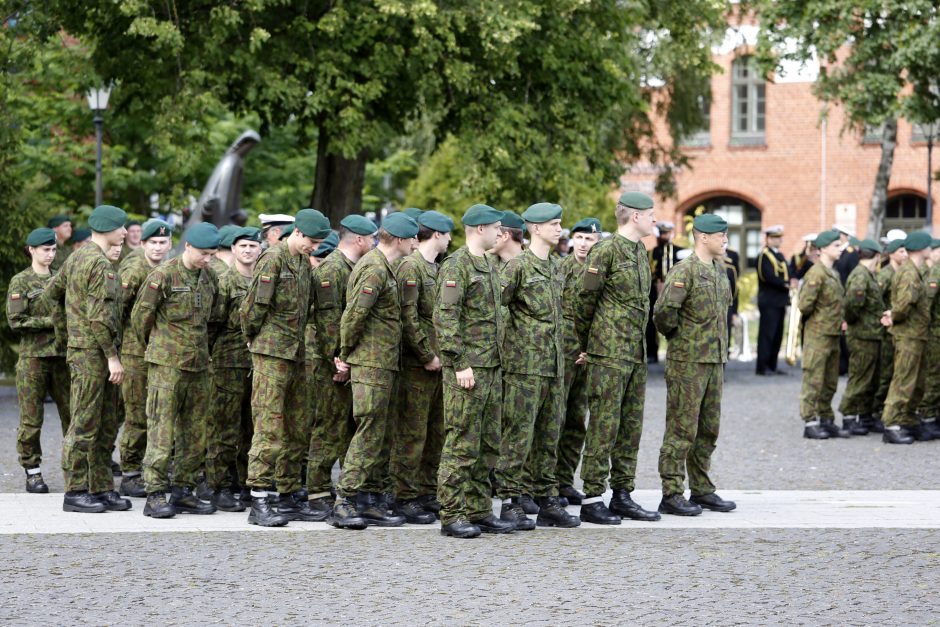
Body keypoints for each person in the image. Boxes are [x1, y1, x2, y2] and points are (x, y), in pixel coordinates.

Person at [573, 191, 660, 525]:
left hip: (634, 352)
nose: (655, 219)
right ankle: (593, 497)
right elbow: (584, 301)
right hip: (607, 352)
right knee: (604, 424)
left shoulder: (639, 250)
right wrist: (589, 343)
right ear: (635, 216)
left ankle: (622, 492)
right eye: (651, 214)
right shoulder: (605, 250)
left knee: (630, 425)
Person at [240, 208, 330, 526]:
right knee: (269, 427)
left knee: (296, 426)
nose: (315, 248)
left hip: (296, 354)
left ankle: (287, 493)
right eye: (313, 242)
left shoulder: (303, 264)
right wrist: (253, 339)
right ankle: (260, 499)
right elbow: (253, 307)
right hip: (271, 354)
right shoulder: (272, 259)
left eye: (320, 244)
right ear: (297, 233)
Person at [495, 203, 580, 530]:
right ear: (534, 229)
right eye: (553, 224)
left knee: (549, 434)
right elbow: (498, 310)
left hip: (555, 364)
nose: (559, 229)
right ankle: (509, 499)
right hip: (525, 366)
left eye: (560, 223)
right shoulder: (518, 267)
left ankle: (547, 498)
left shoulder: (558, 267)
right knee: (518, 433)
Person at [330, 213, 418, 529]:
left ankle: (368, 499)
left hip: (382, 362)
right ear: (402, 240)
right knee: (368, 433)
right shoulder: (374, 268)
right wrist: (344, 353)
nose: (415, 243)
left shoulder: (383, 267)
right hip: (371, 363)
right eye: (413, 238)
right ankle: (345, 501)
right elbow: (354, 316)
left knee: (378, 434)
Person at [131, 222, 221, 518]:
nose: (208, 260)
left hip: (198, 366)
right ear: (189, 247)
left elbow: (212, 320)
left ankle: (184, 489)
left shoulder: (209, 278)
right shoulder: (164, 275)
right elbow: (140, 317)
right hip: (167, 366)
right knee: (161, 427)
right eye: (204, 254)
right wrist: (158, 347)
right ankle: (155, 492)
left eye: (212, 255)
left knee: (195, 431)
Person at [435, 204, 514, 538]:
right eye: (497, 227)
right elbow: (445, 317)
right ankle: (452, 513)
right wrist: (459, 362)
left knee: (488, 442)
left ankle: (480, 509)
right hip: (469, 369)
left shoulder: (491, 265)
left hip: (492, 366)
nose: (501, 233)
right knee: (462, 442)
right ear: (479, 229)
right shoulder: (458, 265)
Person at [46, 205, 130, 513]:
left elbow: (51, 293)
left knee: (106, 422)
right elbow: (98, 318)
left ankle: (102, 487)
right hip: (94, 355)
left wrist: (66, 332)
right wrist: (112, 357)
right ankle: (76, 491)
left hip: (86, 350)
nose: (124, 233)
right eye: (120, 227)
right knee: (84, 423)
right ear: (108, 228)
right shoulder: (98, 263)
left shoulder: (76, 258)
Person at [653, 213, 736, 516]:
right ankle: (672, 491)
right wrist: (680, 338)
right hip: (687, 362)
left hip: (714, 360)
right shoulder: (684, 272)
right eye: (721, 235)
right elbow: (663, 314)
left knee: (708, 428)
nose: (725, 240)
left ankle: (701, 488)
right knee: (681, 427)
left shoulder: (719, 271)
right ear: (703, 237)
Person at [305, 217, 376, 521]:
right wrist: (337, 359)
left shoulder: (351, 268)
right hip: (330, 362)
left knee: (343, 426)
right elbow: (328, 322)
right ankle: (317, 491)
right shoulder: (332, 270)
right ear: (359, 239)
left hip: (344, 360)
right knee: (328, 426)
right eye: (371, 238)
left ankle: (340, 490)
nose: (374, 243)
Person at [389, 210, 454, 523]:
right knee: (412, 431)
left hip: (440, 362)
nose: (451, 240)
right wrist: (427, 355)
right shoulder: (411, 267)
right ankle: (404, 495)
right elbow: (408, 316)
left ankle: (427, 490)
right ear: (438, 235)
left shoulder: (436, 268)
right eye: (448, 234)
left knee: (435, 430)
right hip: (419, 364)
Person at [6, 228, 71, 493]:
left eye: (53, 249)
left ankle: (75, 468)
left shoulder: (60, 279)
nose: (50, 254)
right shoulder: (21, 281)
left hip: (62, 357)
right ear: (31, 250)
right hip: (33, 358)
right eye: (45, 249)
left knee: (72, 415)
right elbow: (16, 321)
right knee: (32, 419)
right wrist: (51, 322)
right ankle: (32, 471)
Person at [205, 227, 263, 513]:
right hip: (228, 363)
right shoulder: (224, 282)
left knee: (251, 428)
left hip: (258, 365)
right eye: (243, 246)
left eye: (253, 246)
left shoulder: (264, 281)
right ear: (234, 249)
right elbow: (212, 325)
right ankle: (220, 485)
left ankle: (245, 481)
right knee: (224, 427)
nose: (248, 251)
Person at [116, 220, 173, 498]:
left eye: (163, 243)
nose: (158, 247)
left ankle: (153, 468)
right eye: (153, 243)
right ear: (143, 244)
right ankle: (130, 473)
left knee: (157, 414)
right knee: (137, 414)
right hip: (135, 351)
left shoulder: (167, 269)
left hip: (159, 352)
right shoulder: (134, 267)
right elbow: (117, 308)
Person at [556, 217, 601, 505]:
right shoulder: (560, 269)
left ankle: (564, 480)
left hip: (588, 354)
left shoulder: (599, 270)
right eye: (580, 238)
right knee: (555, 419)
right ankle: (544, 482)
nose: (584, 244)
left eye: (590, 240)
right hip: (563, 352)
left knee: (576, 421)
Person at [881, 231, 934, 444]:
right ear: (921, 248)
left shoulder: (913, 270)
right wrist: (893, 315)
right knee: (903, 380)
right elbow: (904, 303)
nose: (931, 248)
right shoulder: (910, 273)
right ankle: (891, 424)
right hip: (908, 334)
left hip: (916, 334)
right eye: (928, 245)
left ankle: (907, 419)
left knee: (916, 382)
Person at [797, 230, 847, 439]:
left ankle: (825, 418)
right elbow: (804, 305)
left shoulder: (832, 273)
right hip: (818, 334)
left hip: (832, 334)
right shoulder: (816, 273)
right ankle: (810, 422)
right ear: (823, 249)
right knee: (814, 379)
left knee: (829, 380)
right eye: (836, 245)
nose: (840, 249)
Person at [838, 239, 885, 435]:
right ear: (876, 256)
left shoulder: (867, 274)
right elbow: (852, 306)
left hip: (871, 334)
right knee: (859, 377)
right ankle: (849, 416)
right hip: (862, 335)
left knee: (870, 379)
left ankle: (864, 415)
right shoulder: (860, 276)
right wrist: (852, 322)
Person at [872, 237, 907, 426]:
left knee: (892, 371)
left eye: (905, 251)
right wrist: (882, 318)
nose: (904, 254)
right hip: (885, 329)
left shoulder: (901, 272)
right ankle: (876, 409)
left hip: (896, 328)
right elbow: (875, 300)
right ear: (891, 254)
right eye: (900, 251)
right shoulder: (886, 274)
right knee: (885, 373)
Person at [756, 225, 790, 375]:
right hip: (769, 301)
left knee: (777, 335)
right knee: (767, 334)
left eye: (779, 237)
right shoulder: (764, 255)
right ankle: (762, 367)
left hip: (780, 301)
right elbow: (767, 276)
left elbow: (788, 272)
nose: (778, 240)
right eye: (775, 237)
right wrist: (785, 284)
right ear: (768, 239)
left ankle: (772, 365)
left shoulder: (780, 255)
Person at [647, 221, 683, 364]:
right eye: (662, 233)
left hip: (675, 290)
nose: (664, 236)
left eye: (666, 233)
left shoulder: (680, 251)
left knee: (675, 321)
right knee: (650, 323)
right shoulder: (651, 253)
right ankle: (652, 352)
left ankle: (676, 352)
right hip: (655, 291)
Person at [917, 239, 940, 427]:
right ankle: (927, 416)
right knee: (933, 376)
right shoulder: (936, 271)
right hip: (935, 333)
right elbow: (928, 304)